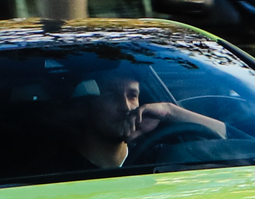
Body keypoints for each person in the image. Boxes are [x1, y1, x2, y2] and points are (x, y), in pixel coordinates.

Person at [56, 71, 226, 170]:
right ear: (84, 106)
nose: (126, 107)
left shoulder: (160, 157)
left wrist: (169, 111)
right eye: (110, 95)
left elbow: (237, 140)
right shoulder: (59, 172)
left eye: (132, 96)